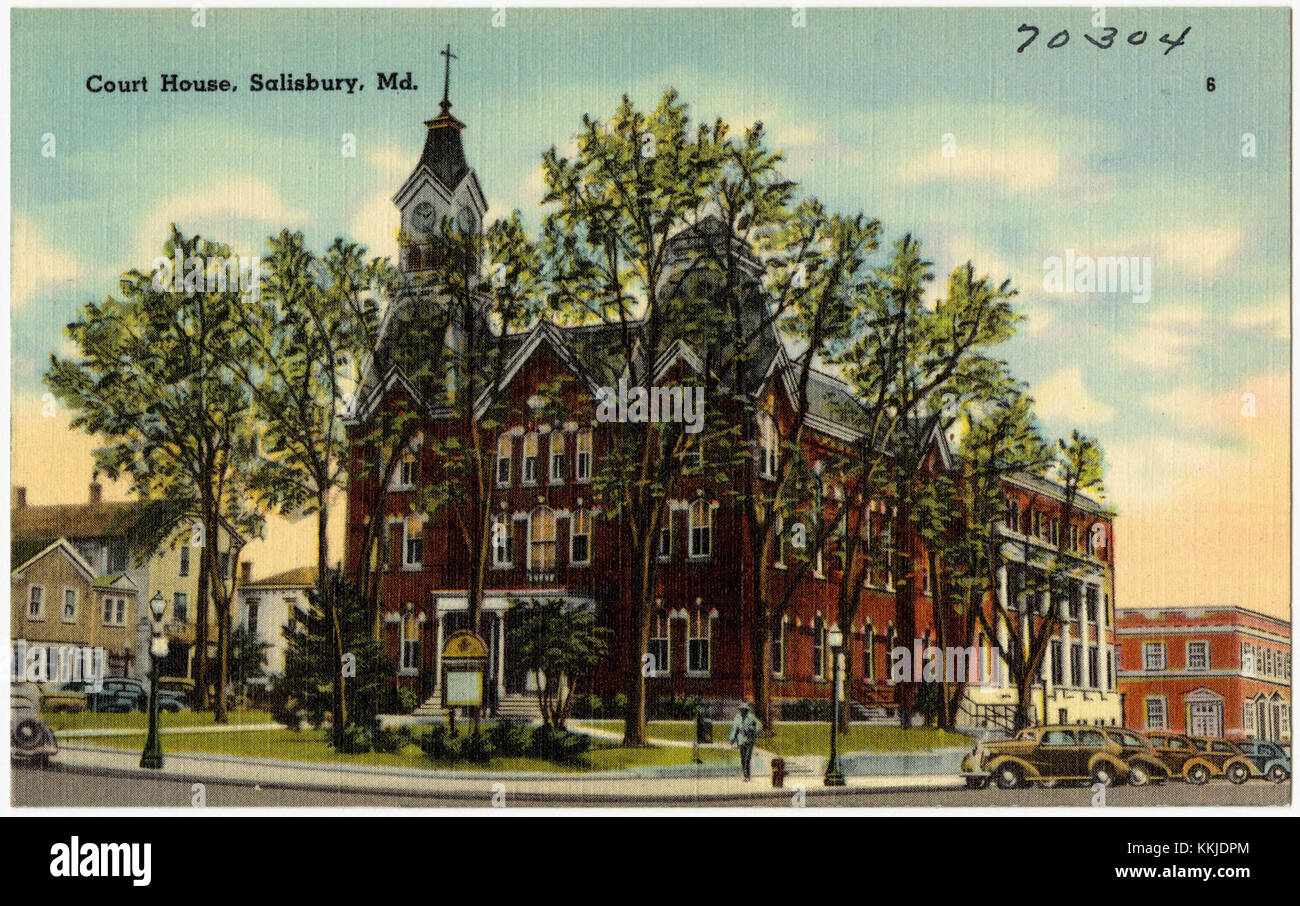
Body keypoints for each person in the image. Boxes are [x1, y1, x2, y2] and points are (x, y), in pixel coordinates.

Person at [729, 701, 762, 781]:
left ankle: (747, 775)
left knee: (747, 758)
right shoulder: (737, 718)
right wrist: (732, 738)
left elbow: (759, 725)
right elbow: (734, 728)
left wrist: (754, 731)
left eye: (744, 710)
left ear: (747, 710)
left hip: (749, 740)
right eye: (742, 710)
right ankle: (745, 774)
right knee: (743, 759)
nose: (743, 711)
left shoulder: (751, 717)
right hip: (740, 740)